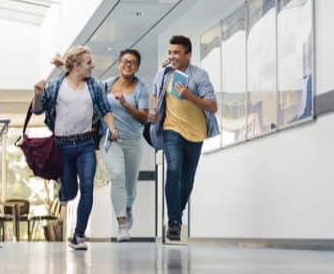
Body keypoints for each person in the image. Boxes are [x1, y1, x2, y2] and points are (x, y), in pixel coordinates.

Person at [32, 46, 119, 251]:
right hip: (62, 146)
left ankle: (79, 235)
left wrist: (112, 129)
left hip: (86, 144)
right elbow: (37, 110)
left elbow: (106, 110)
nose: (93, 66)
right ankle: (65, 192)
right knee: (70, 191)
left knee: (87, 186)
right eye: (89, 62)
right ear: (76, 65)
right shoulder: (55, 86)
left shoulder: (95, 86)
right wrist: (37, 95)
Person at [149, 35, 219, 241]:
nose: (172, 56)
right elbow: (155, 93)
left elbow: (212, 106)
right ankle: (174, 223)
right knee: (173, 170)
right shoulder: (163, 74)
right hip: (171, 130)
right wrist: (154, 110)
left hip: (195, 134)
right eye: (170, 52)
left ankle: (176, 213)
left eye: (177, 53)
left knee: (187, 180)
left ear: (188, 54)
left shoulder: (199, 76)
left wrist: (191, 96)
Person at [101, 49, 150, 242]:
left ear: (137, 67)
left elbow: (144, 118)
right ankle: (122, 226)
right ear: (119, 63)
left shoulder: (140, 89)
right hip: (110, 139)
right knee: (117, 175)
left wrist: (125, 104)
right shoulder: (106, 85)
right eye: (124, 61)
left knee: (130, 187)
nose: (128, 65)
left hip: (132, 142)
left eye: (132, 62)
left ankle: (127, 207)